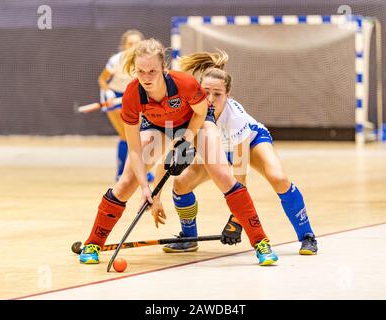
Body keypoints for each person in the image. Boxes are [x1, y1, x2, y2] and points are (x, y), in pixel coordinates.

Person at [80, 39, 278, 266]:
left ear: (164, 68)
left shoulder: (185, 83)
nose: (147, 77)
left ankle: (261, 243)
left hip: (196, 123)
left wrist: (186, 140)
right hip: (158, 127)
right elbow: (134, 149)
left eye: (153, 71)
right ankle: (93, 243)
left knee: (223, 176)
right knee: (127, 183)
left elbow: (201, 113)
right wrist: (147, 189)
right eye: (141, 71)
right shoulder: (132, 95)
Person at [162, 50, 318, 255]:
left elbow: (239, 178)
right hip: (217, 151)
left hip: (251, 143)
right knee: (181, 183)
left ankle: (307, 236)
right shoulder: (193, 110)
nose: (210, 99)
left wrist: (237, 219)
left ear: (228, 95)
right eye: (206, 91)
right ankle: (189, 237)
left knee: (278, 178)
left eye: (217, 94)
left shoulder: (235, 119)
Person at [97, 29, 153, 182]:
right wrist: (108, 93)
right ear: (124, 45)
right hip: (113, 97)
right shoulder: (116, 60)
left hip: (132, 97)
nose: (133, 46)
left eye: (136, 43)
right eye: (130, 43)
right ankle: (122, 173)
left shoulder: (147, 61)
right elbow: (102, 79)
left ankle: (142, 171)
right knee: (126, 135)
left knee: (140, 135)